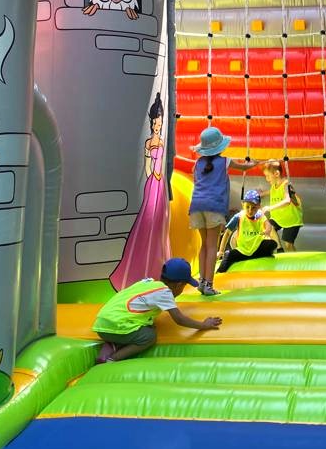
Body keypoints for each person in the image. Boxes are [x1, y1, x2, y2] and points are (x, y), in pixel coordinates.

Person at [93, 257, 222, 363]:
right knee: (149, 336)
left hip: (101, 324)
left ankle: (111, 345)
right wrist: (203, 325)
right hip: (115, 326)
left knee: (148, 325)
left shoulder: (147, 282)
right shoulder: (164, 292)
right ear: (178, 285)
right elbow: (179, 319)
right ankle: (112, 359)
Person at [110, 93, 169, 290]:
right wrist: (152, 178)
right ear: (152, 123)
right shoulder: (149, 143)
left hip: (159, 184)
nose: (157, 126)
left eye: (159, 123)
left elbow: (160, 162)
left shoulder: (162, 141)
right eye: (155, 123)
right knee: (147, 222)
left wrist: (158, 179)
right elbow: (147, 164)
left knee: (157, 223)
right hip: (153, 183)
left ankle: (156, 265)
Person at [189, 126, 257, 296]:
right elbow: (244, 167)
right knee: (212, 245)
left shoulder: (197, 163)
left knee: (204, 245)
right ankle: (209, 285)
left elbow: (197, 179)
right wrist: (255, 163)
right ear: (220, 147)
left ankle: (202, 282)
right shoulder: (225, 161)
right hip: (214, 206)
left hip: (196, 206)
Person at [217, 189, 280, 273]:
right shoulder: (238, 217)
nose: (250, 210)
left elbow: (268, 225)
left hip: (256, 247)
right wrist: (221, 251)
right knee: (228, 255)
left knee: (273, 244)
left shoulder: (260, 215)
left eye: (253, 208)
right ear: (243, 204)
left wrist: (267, 231)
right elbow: (227, 233)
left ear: (258, 206)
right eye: (247, 207)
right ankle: (219, 273)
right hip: (243, 250)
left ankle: (257, 255)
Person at [260, 159, 303, 251]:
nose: (266, 179)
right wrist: (261, 194)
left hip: (291, 219)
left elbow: (287, 200)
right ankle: (279, 249)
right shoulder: (274, 185)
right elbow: (271, 191)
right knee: (268, 226)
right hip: (279, 217)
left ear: (276, 174)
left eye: (268, 176)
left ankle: (296, 259)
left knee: (288, 245)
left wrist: (270, 208)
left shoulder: (286, 185)